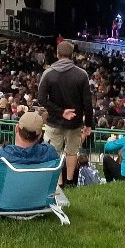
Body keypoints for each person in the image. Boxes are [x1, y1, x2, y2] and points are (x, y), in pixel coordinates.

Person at [37, 41, 93, 186]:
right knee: (72, 152)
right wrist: (88, 124)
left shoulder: (48, 73)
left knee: (54, 152)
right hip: (74, 122)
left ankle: (58, 183)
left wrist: (60, 112)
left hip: (54, 121)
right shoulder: (82, 75)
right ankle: (69, 182)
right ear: (72, 55)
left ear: (57, 54)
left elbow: (41, 99)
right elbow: (87, 103)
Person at [0, 110, 59, 195]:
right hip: (39, 205)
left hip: (3, 207)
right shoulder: (50, 154)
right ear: (39, 136)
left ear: (16, 128)